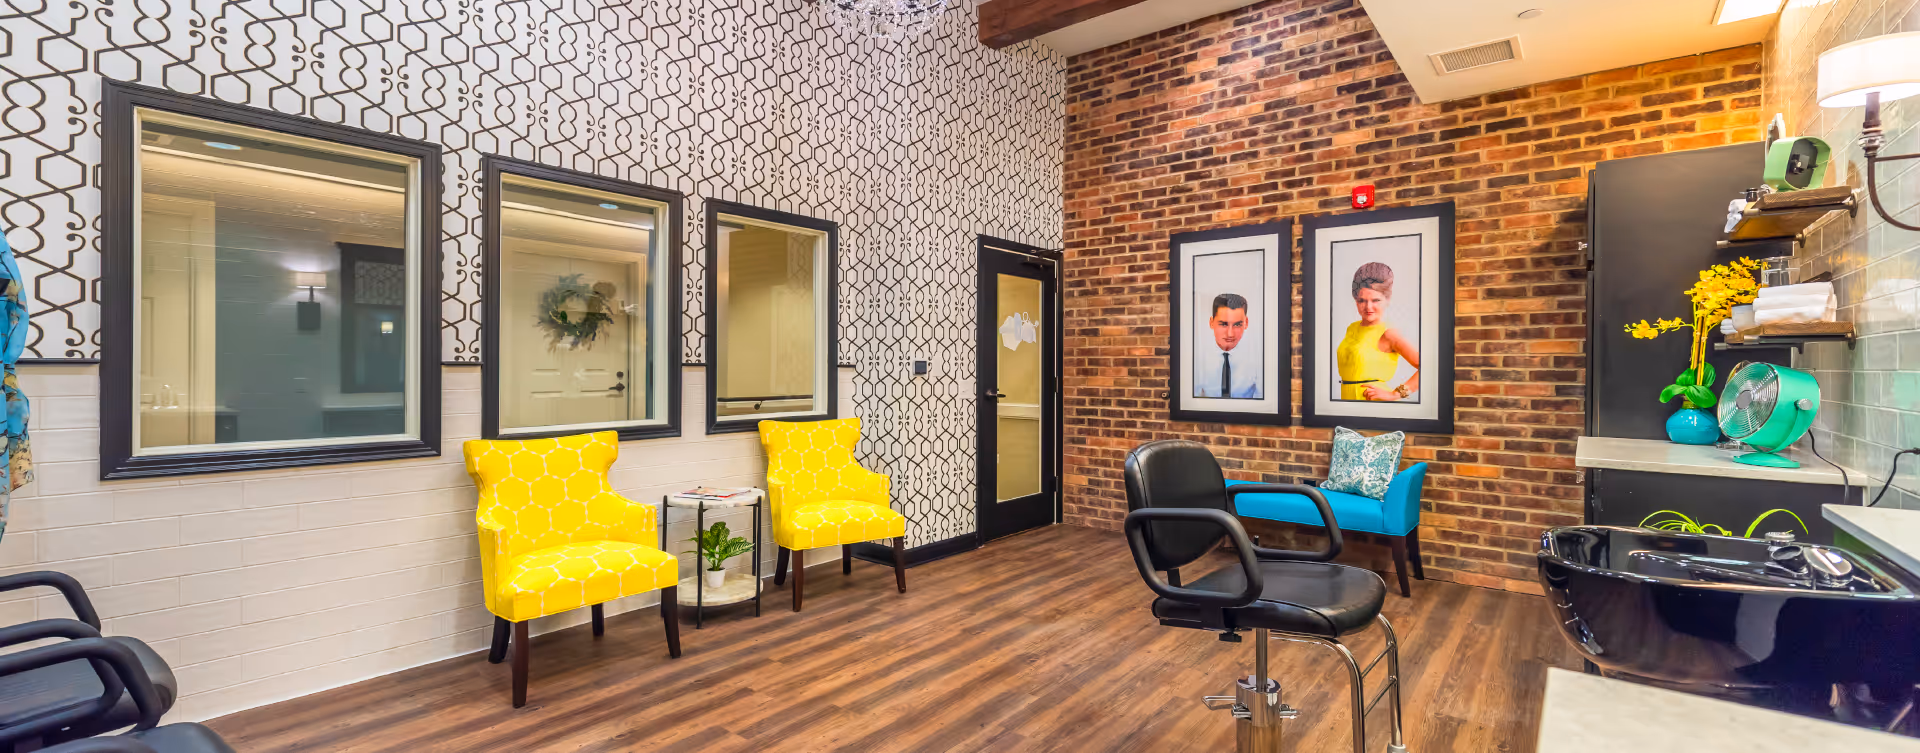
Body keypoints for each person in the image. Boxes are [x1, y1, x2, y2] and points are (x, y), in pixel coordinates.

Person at [1336, 262, 1420, 401]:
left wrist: (1395, 394)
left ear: (1387, 300)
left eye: (1375, 300)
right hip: (1347, 403)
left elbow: (1429, 369)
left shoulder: (1389, 334)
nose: (1368, 307)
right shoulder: (1352, 328)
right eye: (1362, 300)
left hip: (1374, 405)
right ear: (1356, 301)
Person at [1195, 293, 1262, 399]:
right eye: (1223, 324)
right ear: (1211, 323)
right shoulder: (1196, 358)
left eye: (1237, 324)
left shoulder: (1259, 358)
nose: (1230, 334)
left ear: (1246, 323)